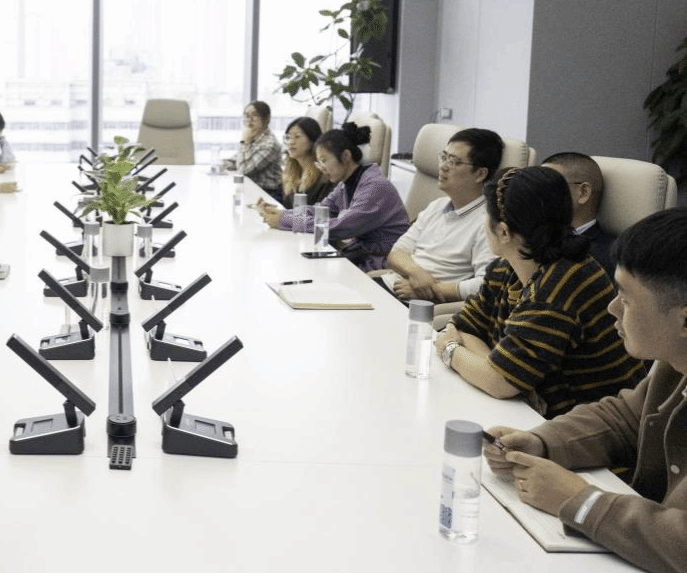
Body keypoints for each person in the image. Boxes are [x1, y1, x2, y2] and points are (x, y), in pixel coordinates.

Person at [483, 208, 687, 573]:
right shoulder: (675, 361)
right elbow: (625, 418)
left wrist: (579, 499)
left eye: (626, 299)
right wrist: (542, 442)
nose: (612, 308)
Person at [434, 166, 644, 418]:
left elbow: (498, 382)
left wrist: (451, 350)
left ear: (503, 232)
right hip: (531, 414)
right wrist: (502, 372)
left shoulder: (561, 284)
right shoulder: (508, 267)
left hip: (587, 426)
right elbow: (467, 327)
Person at [259, 121, 409, 270]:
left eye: (324, 160)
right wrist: (282, 214)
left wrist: (285, 221)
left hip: (383, 262)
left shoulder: (375, 187)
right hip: (362, 255)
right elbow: (320, 210)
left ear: (345, 156)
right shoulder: (346, 184)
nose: (322, 168)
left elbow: (341, 227)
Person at [381, 128, 503, 303]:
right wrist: (417, 273)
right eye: (444, 157)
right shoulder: (436, 206)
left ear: (480, 174)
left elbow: (486, 284)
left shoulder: (487, 222)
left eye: (453, 161)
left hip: (419, 303)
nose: (443, 166)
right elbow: (396, 253)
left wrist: (431, 290)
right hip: (392, 285)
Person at [542, 151, 615, 278]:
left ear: (583, 193)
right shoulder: (536, 239)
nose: (537, 194)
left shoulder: (608, 258)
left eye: (547, 186)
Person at [270, 115, 331, 210]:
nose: (291, 142)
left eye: (297, 136)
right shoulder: (291, 171)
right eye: (288, 137)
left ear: (313, 140)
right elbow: (284, 202)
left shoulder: (323, 175)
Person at [233, 101, 283, 200]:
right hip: (253, 191)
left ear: (266, 119)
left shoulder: (270, 144)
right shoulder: (253, 138)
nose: (249, 119)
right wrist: (220, 164)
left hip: (269, 195)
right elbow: (236, 160)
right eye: (247, 115)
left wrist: (244, 143)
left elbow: (243, 170)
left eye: (254, 115)